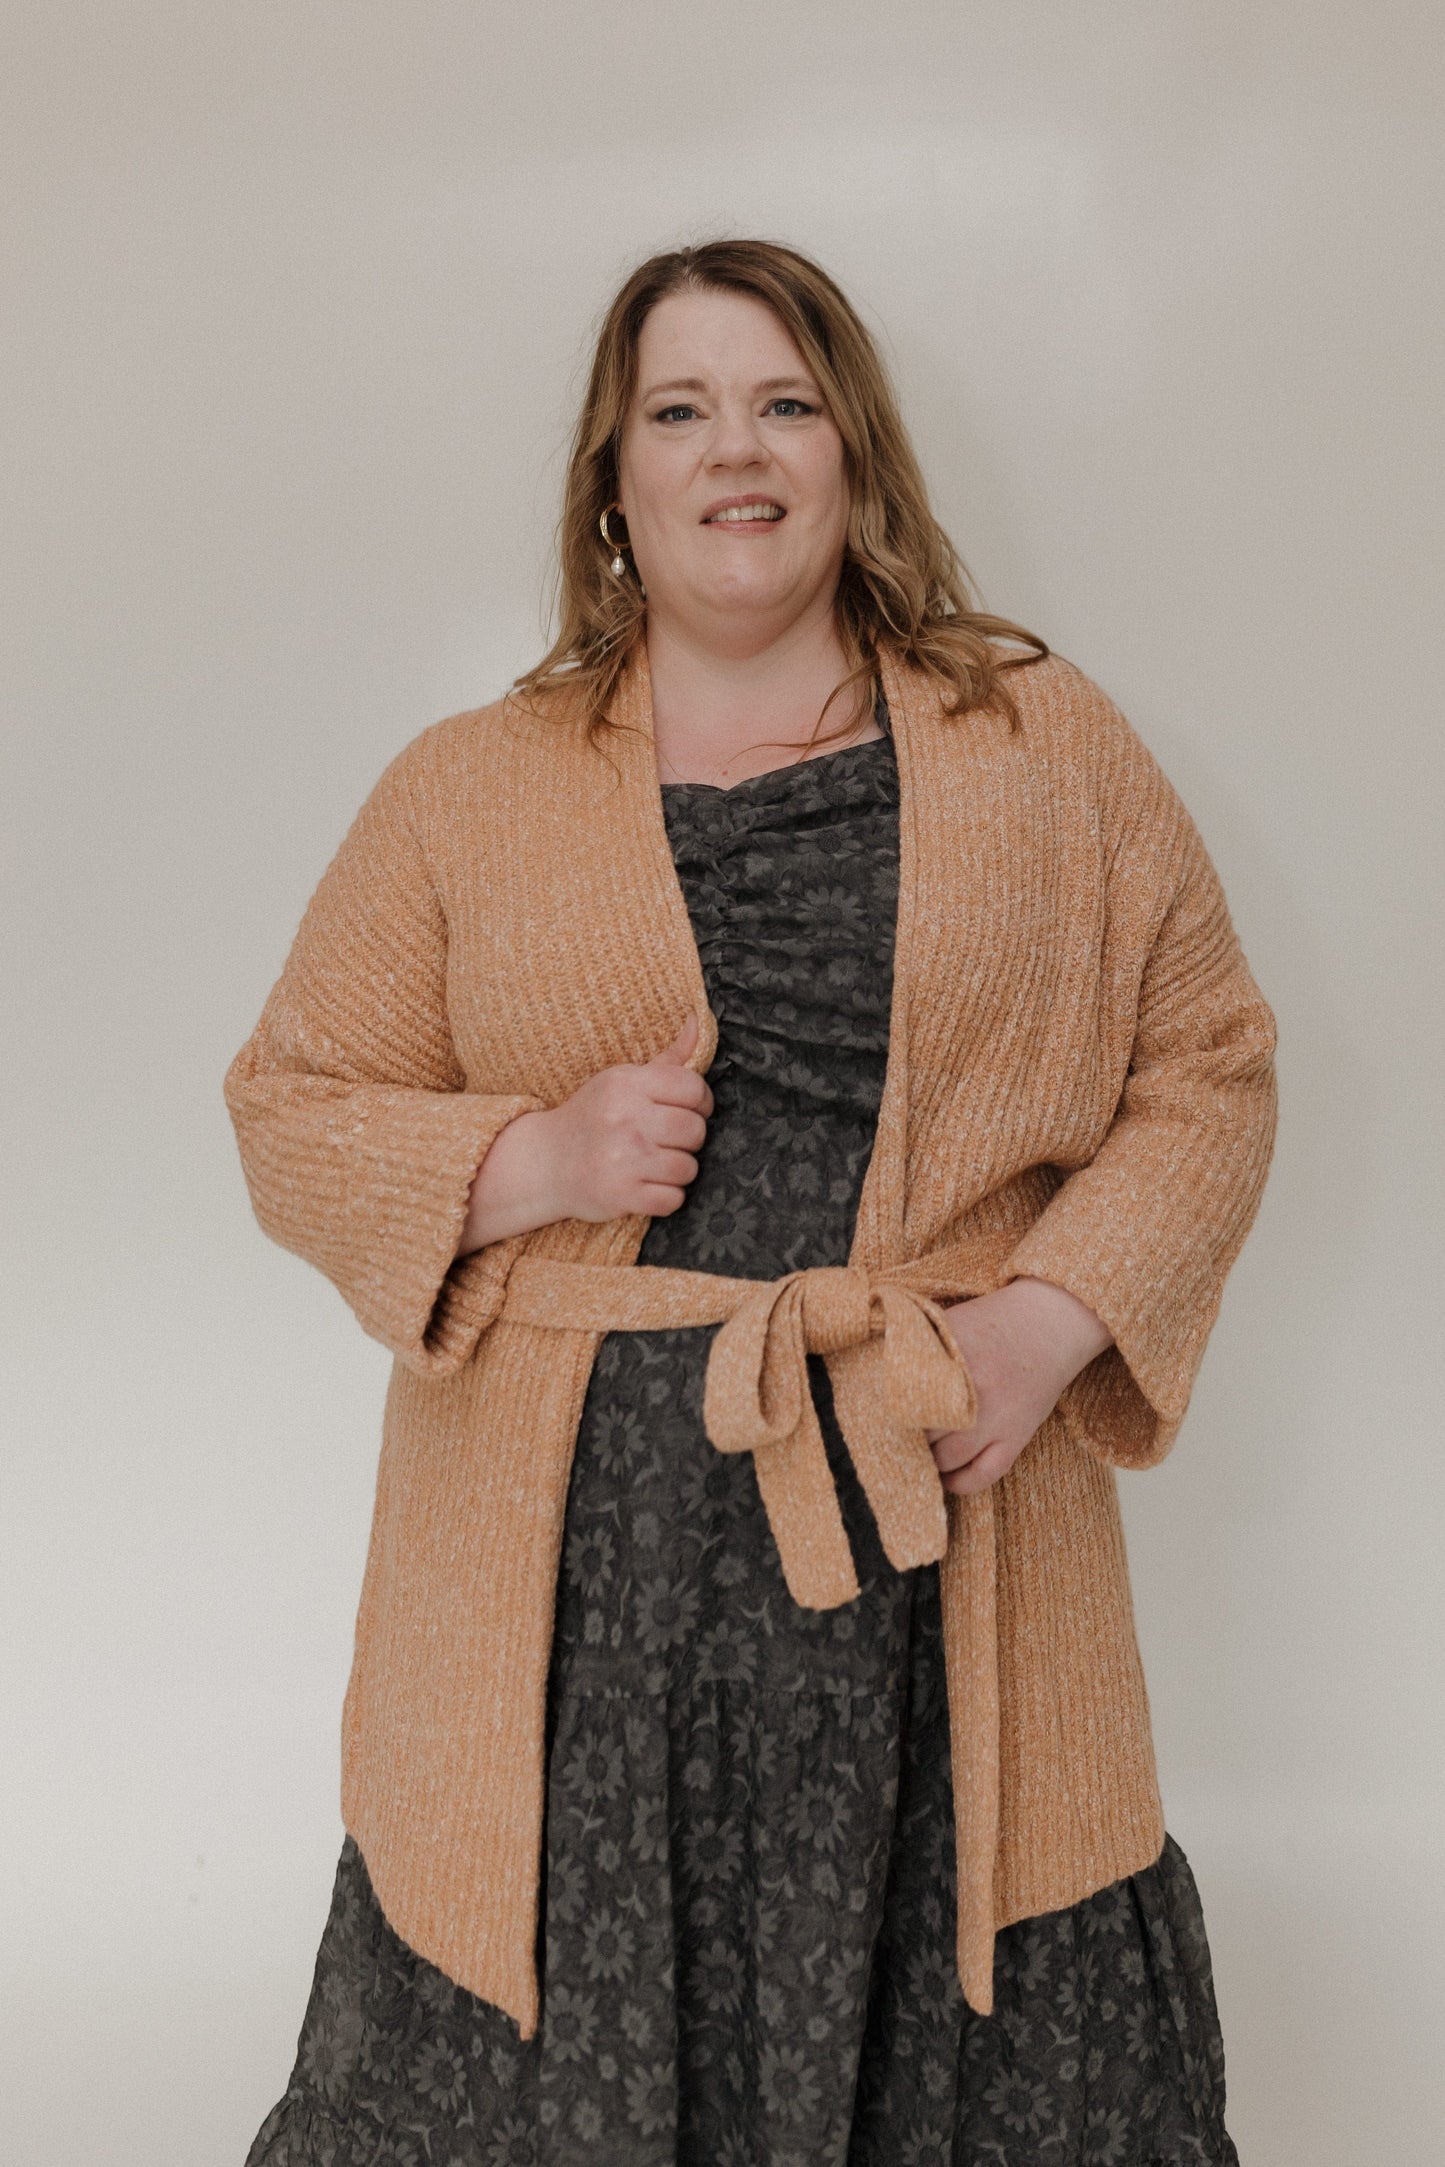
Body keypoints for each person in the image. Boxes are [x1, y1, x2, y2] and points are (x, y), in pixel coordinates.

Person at [227, 238, 1277, 2166]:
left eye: (786, 401)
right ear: (610, 483)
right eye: (681, 409)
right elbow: (288, 1104)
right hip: (577, 1597)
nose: (739, 450)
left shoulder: (1043, 744)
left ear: (854, 458)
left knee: (991, 1937)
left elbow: (1205, 1062)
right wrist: (520, 1160)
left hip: (940, 1525)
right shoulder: (468, 789)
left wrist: (1051, 1324)